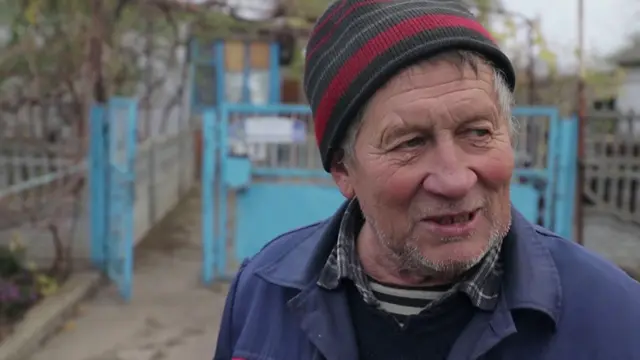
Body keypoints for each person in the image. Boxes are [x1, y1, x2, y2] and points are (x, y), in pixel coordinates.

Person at [213, 1, 640, 359]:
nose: (454, 179)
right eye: (410, 142)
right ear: (343, 168)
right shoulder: (263, 291)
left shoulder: (616, 317)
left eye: (477, 132)